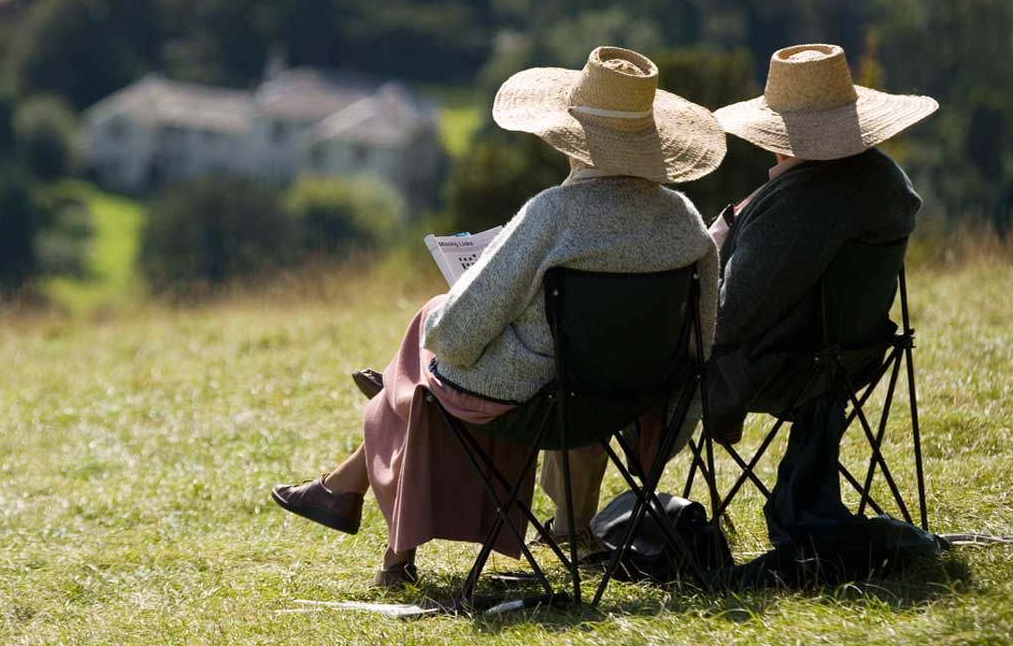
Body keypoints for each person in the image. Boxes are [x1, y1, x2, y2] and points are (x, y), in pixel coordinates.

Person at [271, 47, 724, 587]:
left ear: (568, 136)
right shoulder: (686, 221)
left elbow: (457, 337)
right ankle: (346, 484)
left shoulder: (553, 215)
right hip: (636, 401)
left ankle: (383, 535)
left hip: (540, 400)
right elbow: (703, 336)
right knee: (434, 372)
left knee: (428, 336)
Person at [706, 43, 945, 582]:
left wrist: (730, 228)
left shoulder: (799, 203)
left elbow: (731, 317)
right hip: (850, 363)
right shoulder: (885, 182)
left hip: (782, 368)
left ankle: (598, 527)